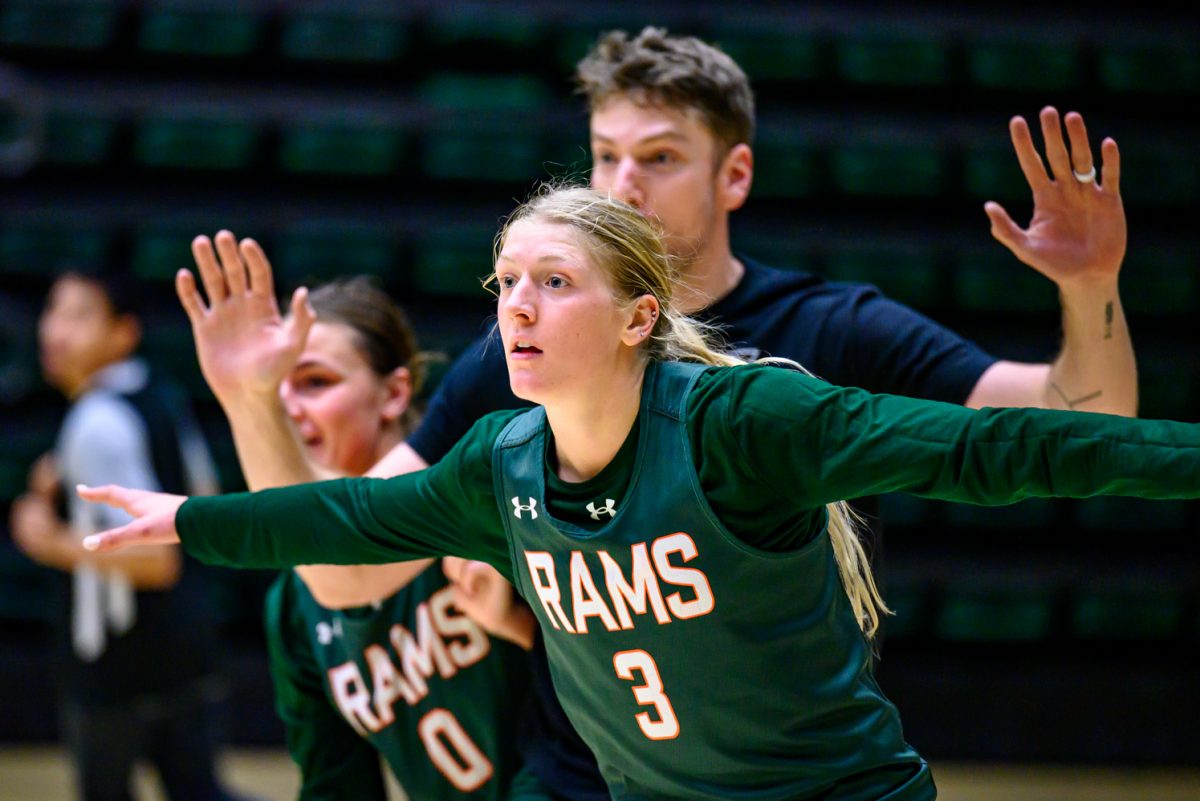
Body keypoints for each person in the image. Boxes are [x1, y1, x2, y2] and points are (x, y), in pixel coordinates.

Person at [183, 27, 1137, 801]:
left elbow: (1083, 418)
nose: (622, 184)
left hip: (780, 774)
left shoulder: (831, 327)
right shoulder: (525, 352)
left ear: (735, 177)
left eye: (661, 157)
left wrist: (1092, 288)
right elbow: (344, 575)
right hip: (580, 776)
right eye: (604, 155)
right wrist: (249, 400)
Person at [77, 187, 1197, 801]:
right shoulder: (498, 458)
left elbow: (998, 449)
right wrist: (191, 518)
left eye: (552, 283)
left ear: (636, 318)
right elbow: (352, 521)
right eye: (505, 282)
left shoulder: (746, 422)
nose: (515, 305)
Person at [203, 273, 535, 799]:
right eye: (274, 387)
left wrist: (521, 626)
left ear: (394, 393)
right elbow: (335, 785)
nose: (287, 407)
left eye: (314, 382)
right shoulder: (294, 603)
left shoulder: (483, 499)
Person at [9, 268, 249, 801]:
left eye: (78, 315)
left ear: (124, 331)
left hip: (120, 663)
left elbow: (154, 560)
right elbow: (202, 500)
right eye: (53, 311)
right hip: (187, 643)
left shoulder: (96, 420)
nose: (55, 331)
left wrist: (47, 540)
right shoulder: (160, 393)